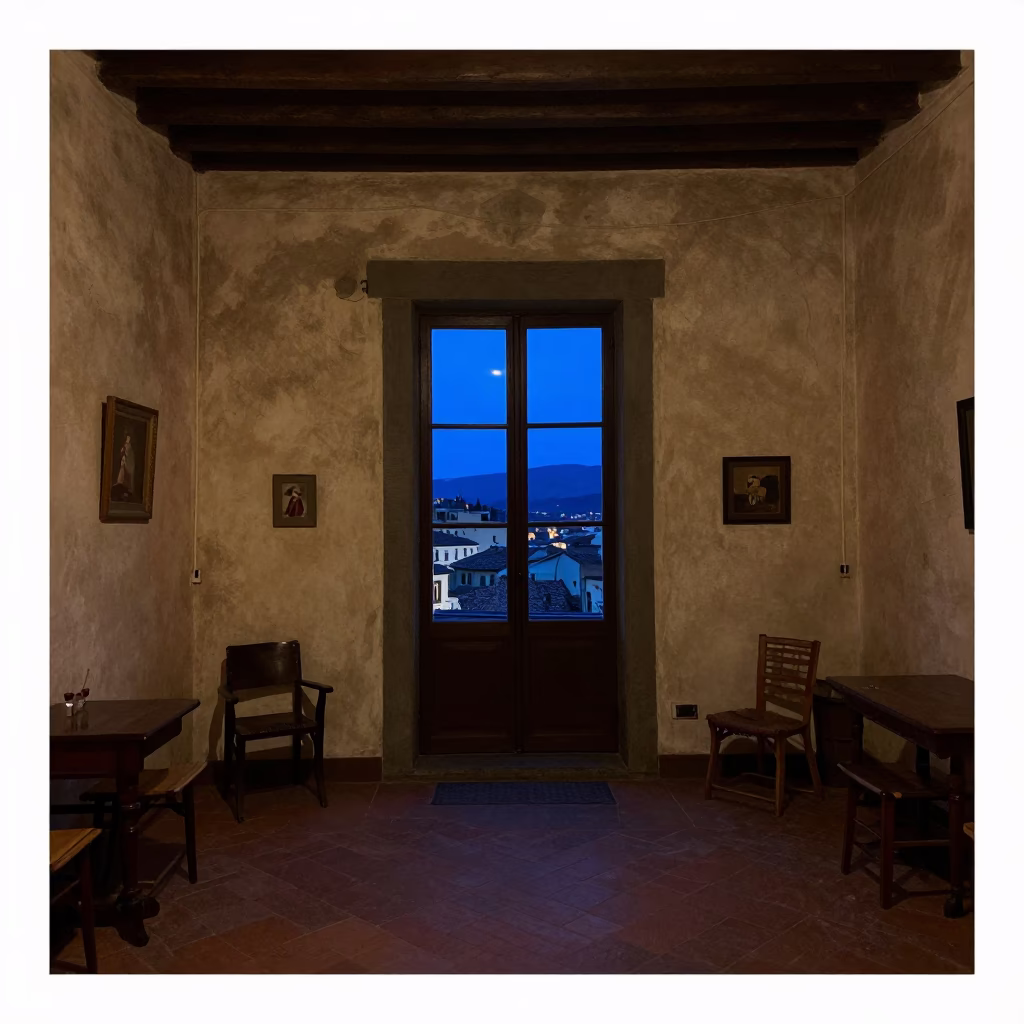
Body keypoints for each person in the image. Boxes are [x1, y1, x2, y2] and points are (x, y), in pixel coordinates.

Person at [112, 430, 135, 501]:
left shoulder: (129, 447)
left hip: (127, 462)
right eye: (127, 438)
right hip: (124, 461)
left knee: (127, 474)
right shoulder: (125, 445)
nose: (127, 439)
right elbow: (122, 451)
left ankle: (126, 488)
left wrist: (126, 453)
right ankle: (120, 483)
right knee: (121, 473)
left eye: (129, 438)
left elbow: (129, 454)